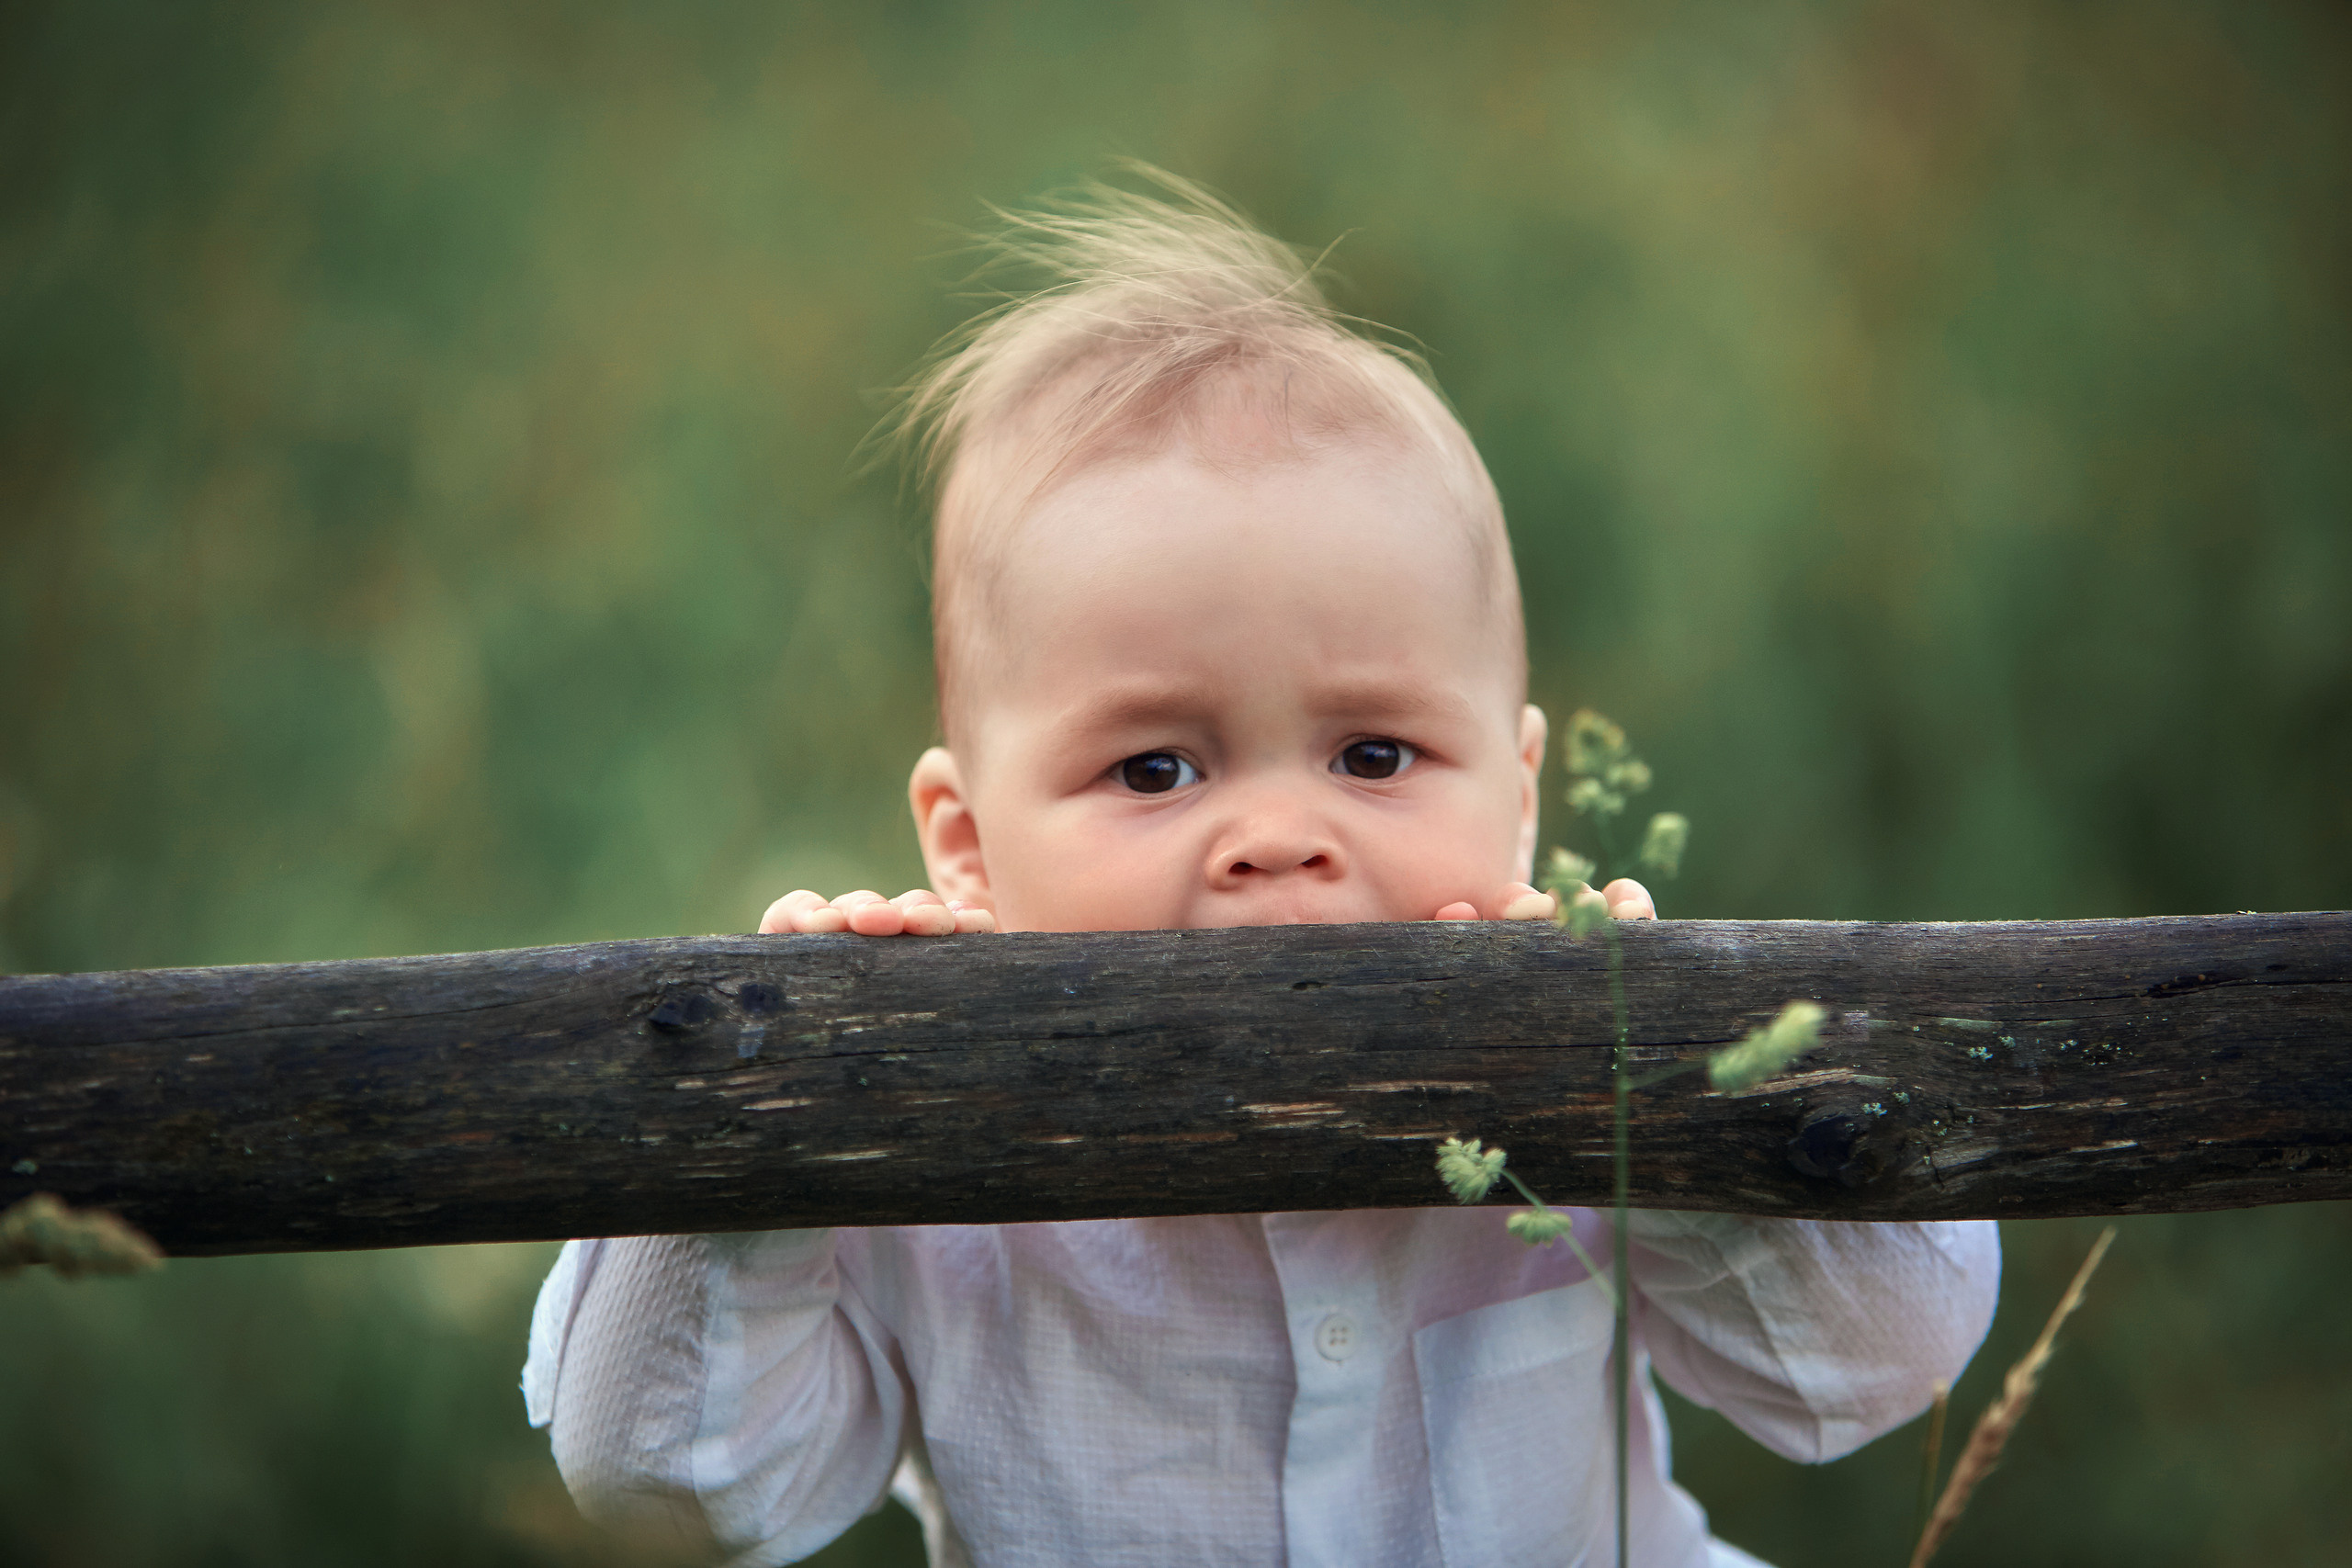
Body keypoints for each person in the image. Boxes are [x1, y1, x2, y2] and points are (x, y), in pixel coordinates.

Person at [521, 173, 1999, 1568]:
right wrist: (767, 1124)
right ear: (968, 849)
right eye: (1155, 770)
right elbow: (673, 1490)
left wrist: (1661, 1086)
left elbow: (1874, 1370)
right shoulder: (932, 1180)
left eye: (1374, 755)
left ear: (1521, 799)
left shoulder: (1565, 1091)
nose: (1278, 837)